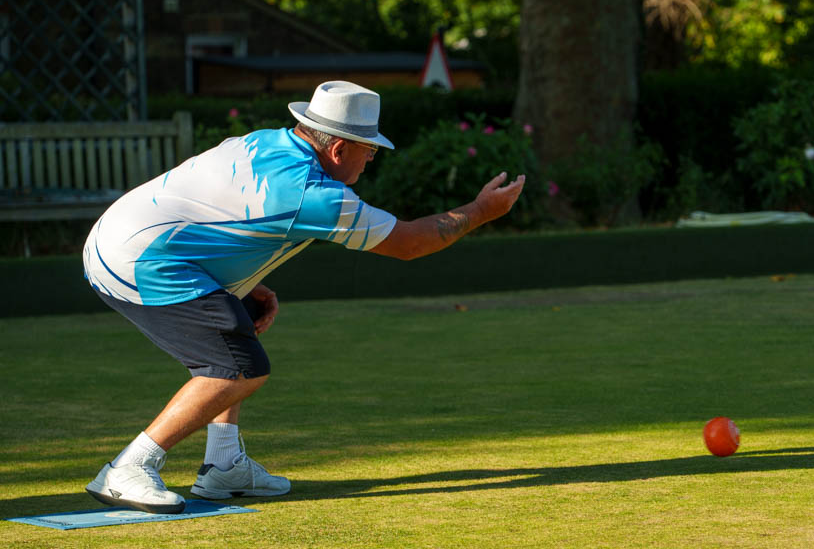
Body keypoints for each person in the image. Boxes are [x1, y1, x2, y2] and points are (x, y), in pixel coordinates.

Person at [81, 80, 525, 514]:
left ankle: (224, 465)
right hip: (138, 261)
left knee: (240, 329)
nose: (370, 160)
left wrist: (242, 284)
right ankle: (130, 466)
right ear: (338, 149)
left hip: (119, 238)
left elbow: (207, 208)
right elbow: (408, 243)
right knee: (239, 368)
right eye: (368, 150)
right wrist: (482, 211)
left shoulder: (262, 143)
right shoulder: (314, 196)